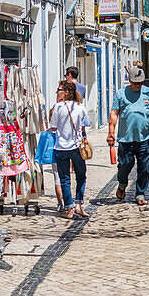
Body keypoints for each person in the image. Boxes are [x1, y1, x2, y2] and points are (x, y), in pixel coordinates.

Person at [108, 64, 149, 207]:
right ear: (129, 81)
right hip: (125, 139)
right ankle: (122, 184)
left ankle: (140, 193)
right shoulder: (121, 94)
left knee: (145, 168)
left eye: (140, 83)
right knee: (125, 165)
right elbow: (114, 113)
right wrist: (111, 133)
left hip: (144, 138)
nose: (138, 85)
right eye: (135, 83)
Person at [51, 79, 91, 220]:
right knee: (81, 176)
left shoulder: (58, 107)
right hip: (76, 147)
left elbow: (54, 127)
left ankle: (69, 207)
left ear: (67, 92)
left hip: (61, 147)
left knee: (65, 178)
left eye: (59, 89)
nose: (57, 92)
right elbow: (84, 126)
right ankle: (78, 204)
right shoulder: (80, 107)